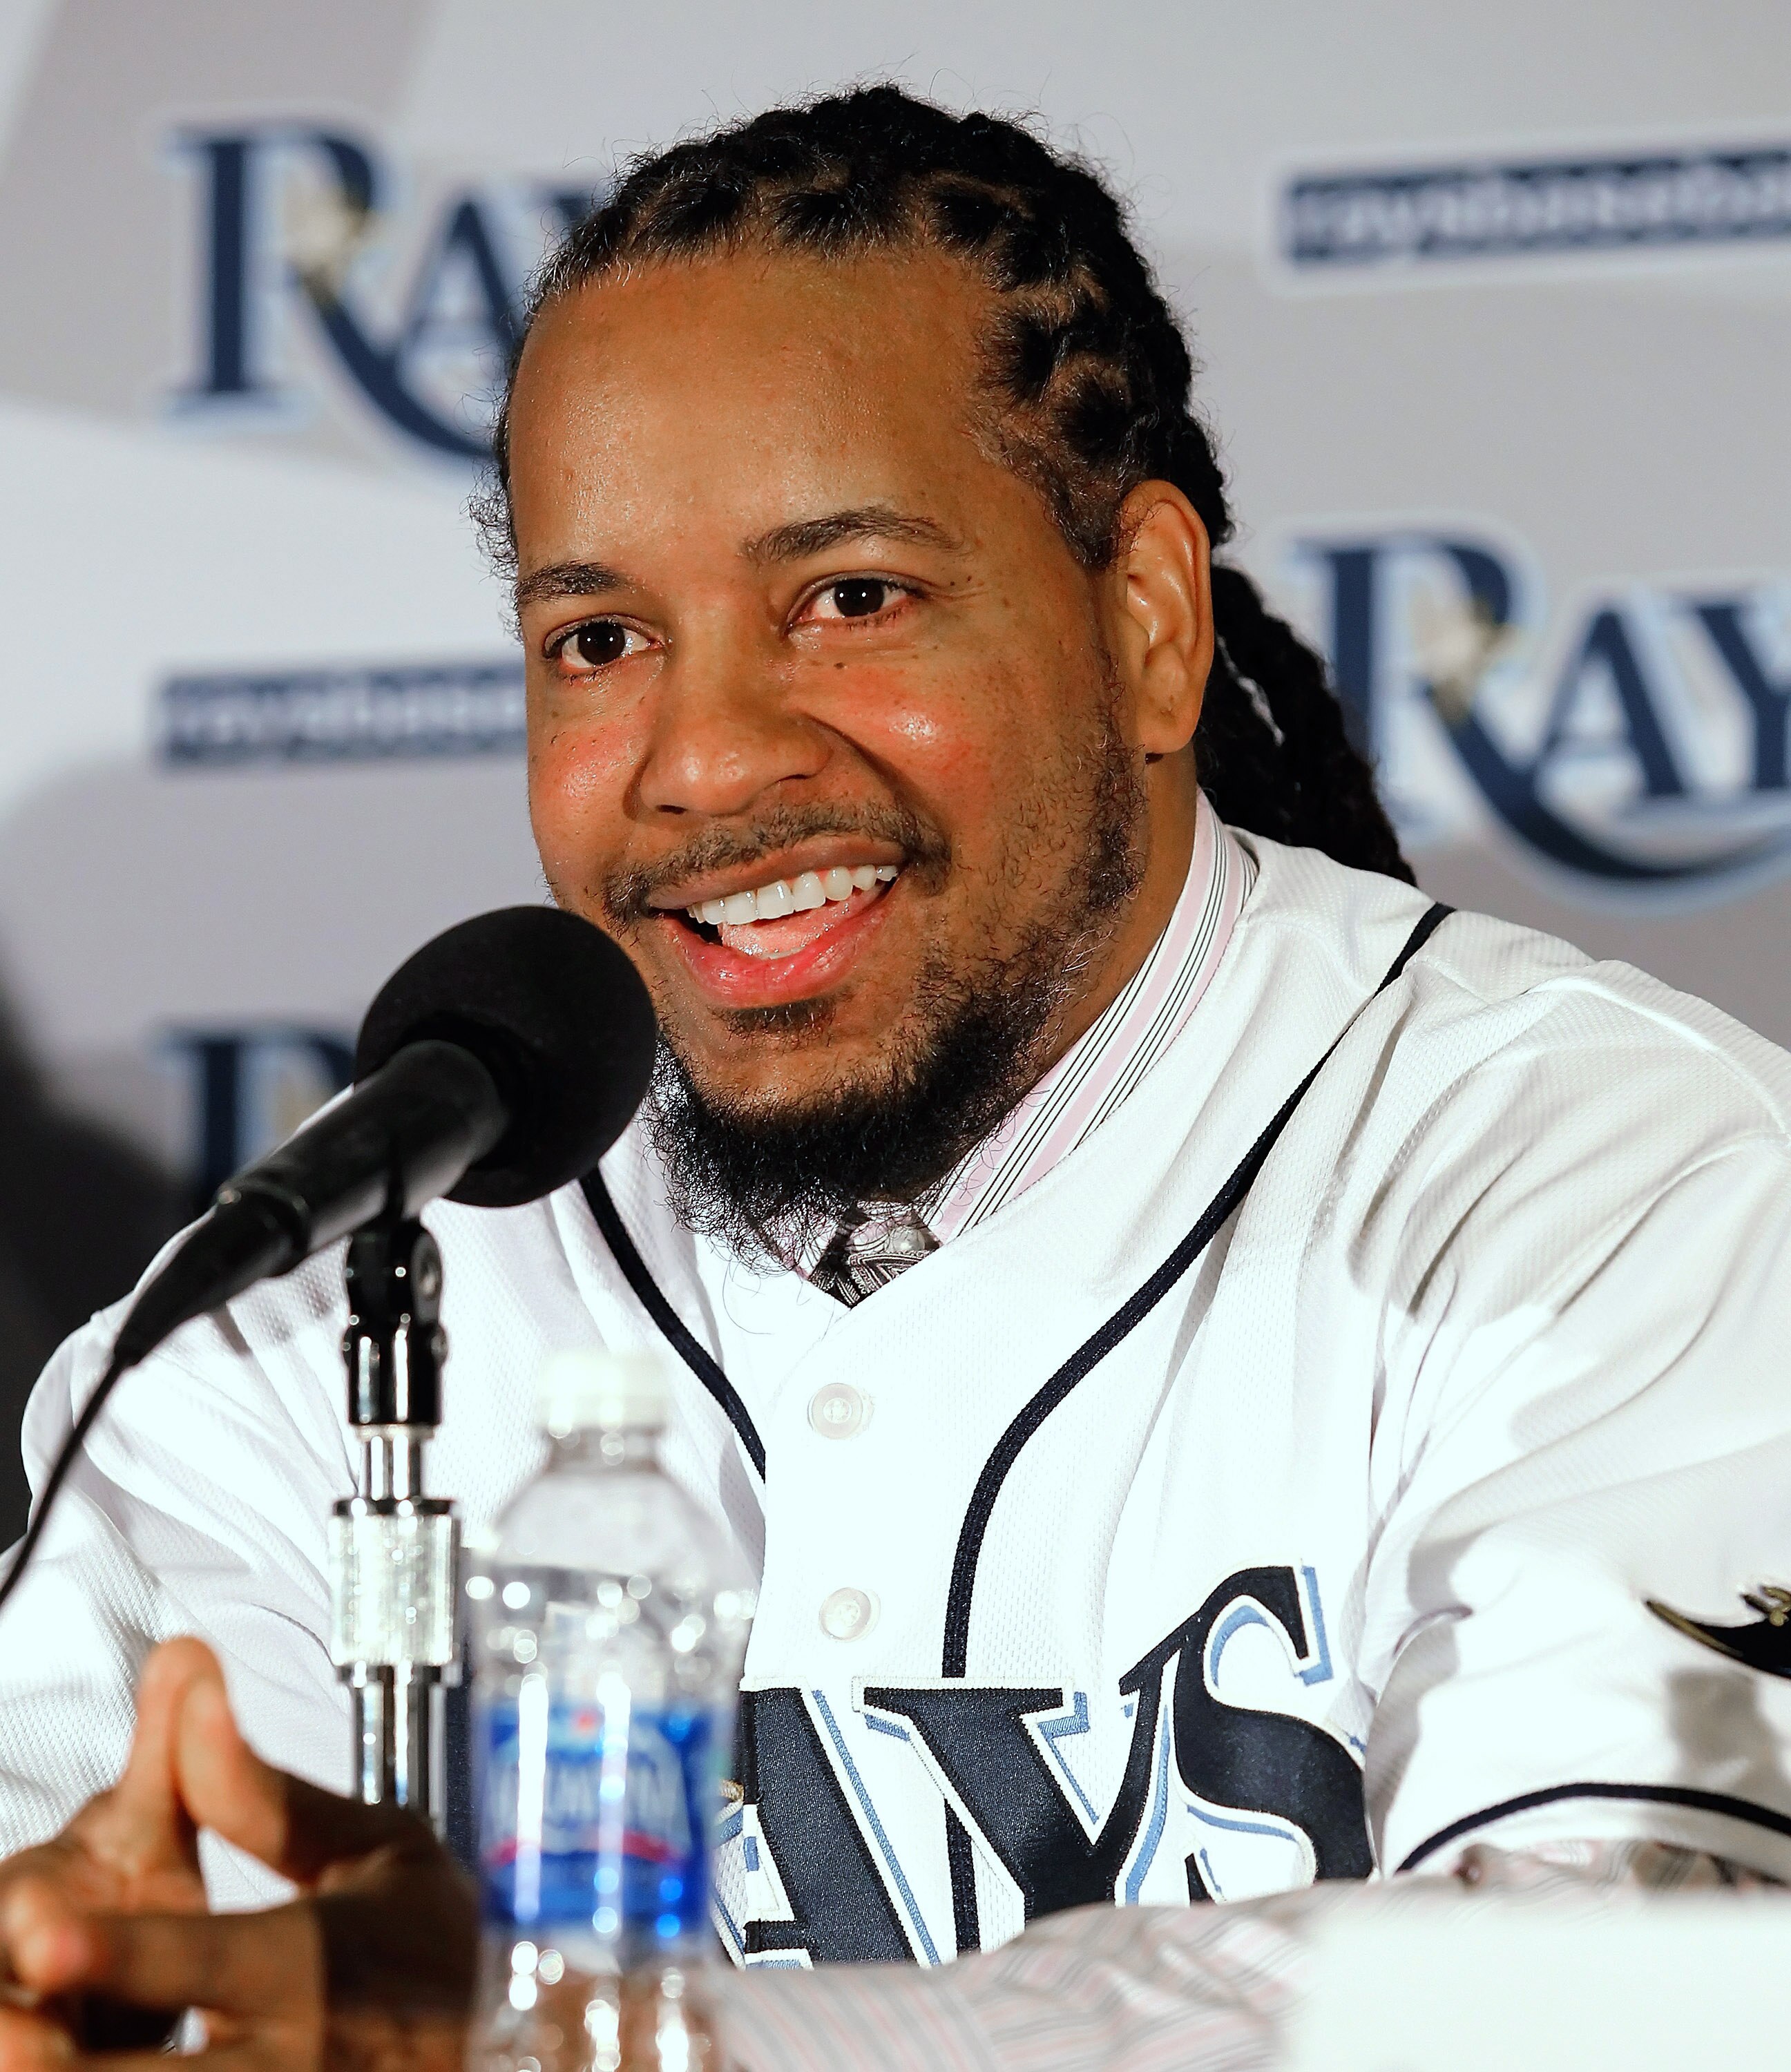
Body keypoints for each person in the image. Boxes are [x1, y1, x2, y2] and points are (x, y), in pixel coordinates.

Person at [0, 85, 1788, 2072]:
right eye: (598, 637)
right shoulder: (318, 1320)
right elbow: (98, 1902)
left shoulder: (1604, 1184)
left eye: (850, 598)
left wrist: (591, 2040)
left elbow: (1618, 1992)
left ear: (1148, 623)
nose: (703, 757)